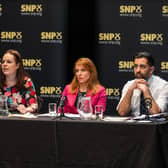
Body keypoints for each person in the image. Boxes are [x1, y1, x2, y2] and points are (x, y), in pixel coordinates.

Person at [117, 51, 168, 116]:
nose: (138, 70)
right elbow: (122, 113)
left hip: (153, 125)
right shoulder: (129, 85)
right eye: (135, 66)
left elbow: (155, 113)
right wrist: (130, 91)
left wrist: (146, 91)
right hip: (134, 125)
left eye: (142, 67)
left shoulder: (163, 86)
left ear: (151, 70)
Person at [0, 49, 38, 114]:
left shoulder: (26, 82)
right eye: (3, 62)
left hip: (19, 121)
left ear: (17, 65)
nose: (4, 64)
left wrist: (26, 109)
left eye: (9, 62)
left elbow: (34, 105)